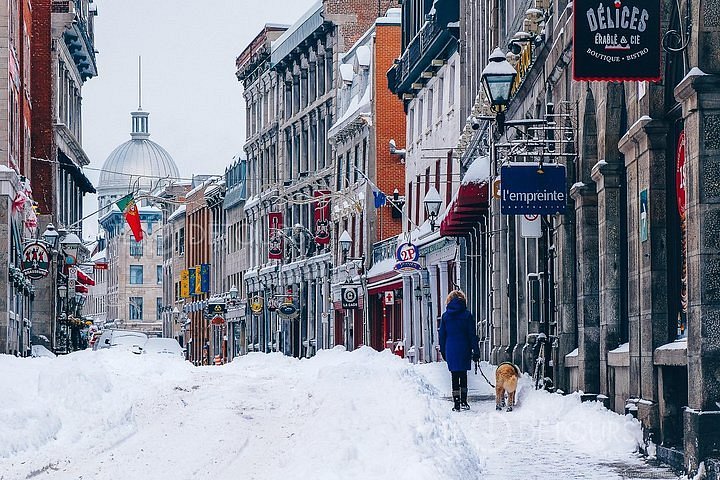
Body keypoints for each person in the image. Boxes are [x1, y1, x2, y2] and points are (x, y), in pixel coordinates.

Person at [439, 289, 480, 412]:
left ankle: (456, 403)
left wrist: (443, 350)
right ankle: (464, 401)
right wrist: (476, 351)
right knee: (463, 375)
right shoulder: (467, 315)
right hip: (464, 347)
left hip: (450, 347)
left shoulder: (445, 316)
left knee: (454, 375)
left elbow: (442, 335)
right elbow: (472, 335)